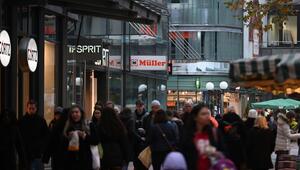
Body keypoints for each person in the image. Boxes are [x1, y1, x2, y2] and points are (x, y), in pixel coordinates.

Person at [180, 103, 226, 170]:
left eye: (208, 113)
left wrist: (217, 153)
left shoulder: (214, 132)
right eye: (203, 114)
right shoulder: (187, 133)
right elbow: (183, 153)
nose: (207, 116)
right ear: (195, 117)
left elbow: (225, 151)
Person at [62, 105, 98, 170]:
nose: (74, 114)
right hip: (70, 161)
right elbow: (62, 144)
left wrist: (85, 136)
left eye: (76, 112)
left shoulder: (89, 125)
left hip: (85, 160)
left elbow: (95, 141)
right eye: (72, 112)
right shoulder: (67, 126)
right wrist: (68, 137)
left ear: (81, 113)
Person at [19, 100, 49, 170]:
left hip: (38, 153)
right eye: (30, 108)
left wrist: (42, 148)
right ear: (27, 108)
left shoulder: (41, 120)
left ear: (36, 109)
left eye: (33, 108)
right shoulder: (22, 121)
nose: (31, 110)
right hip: (26, 153)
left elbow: (46, 135)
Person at [133, 100, 148, 170]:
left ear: (143, 106)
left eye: (141, 106)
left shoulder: (147, 115)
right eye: (138, 106)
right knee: (136, 159)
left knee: (144, 159)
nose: (139, 108)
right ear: (136, 106)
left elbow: (149, 128)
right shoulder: (133, 115)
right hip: (136, 140)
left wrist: (145, 132)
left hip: (144, 140)